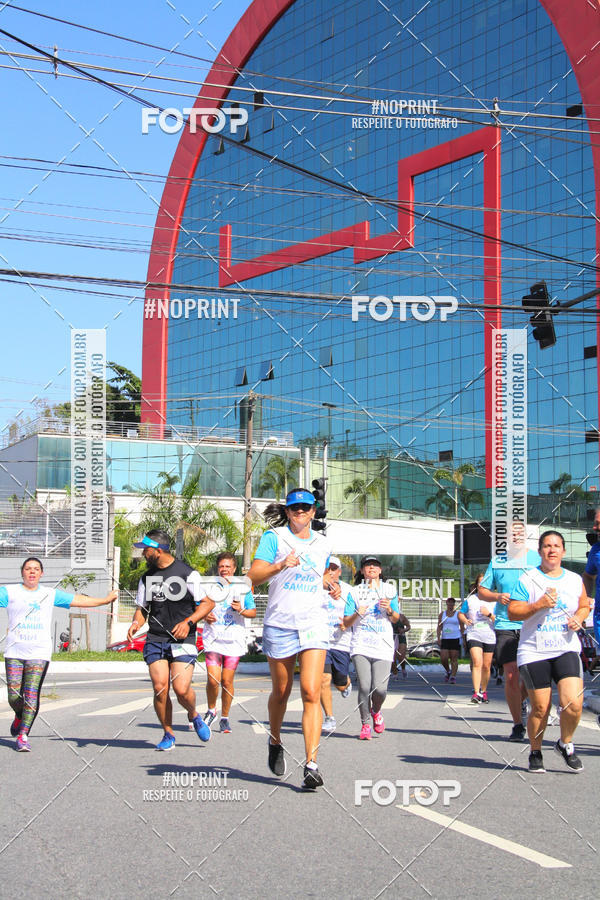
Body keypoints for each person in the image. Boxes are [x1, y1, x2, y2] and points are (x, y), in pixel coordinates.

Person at [248, 488, 332, 790]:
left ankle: (311, 764)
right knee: (281, 692)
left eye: (305, 508)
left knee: (311, 690)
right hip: (280, 623)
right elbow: (254, 576)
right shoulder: (275, 538)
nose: (299, 512)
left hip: (313, 623)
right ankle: (275, 740)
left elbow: (319, 576)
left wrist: (328, 585)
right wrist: (281, 565)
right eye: (294, 508)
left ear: (313, 512)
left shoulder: (324, 544)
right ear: (287, 511)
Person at [1, 557, 117, 752]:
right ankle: (19, 714)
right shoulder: (9, 592)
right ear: (22, 572)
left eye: (36, 569)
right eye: (28, 569)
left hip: (39, 652)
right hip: (15, 650)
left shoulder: (49, 593)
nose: (32, 572)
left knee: (31, 694)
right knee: (13, 695)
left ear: (41, 573)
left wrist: (105, 600)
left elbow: (78, 600)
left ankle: (23, 735)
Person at [508, 530, 590, 773]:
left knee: (573, 703)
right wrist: (538, 605)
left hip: (566, 647)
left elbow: (584, 605)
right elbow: (513, 611)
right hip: (534, 650)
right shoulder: (527, 579)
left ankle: (565, 743)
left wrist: (579, 617)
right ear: (540, 551)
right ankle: (535, 750)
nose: (551, 550)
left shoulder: (575, 579)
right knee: (541, 708)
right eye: (546, 546)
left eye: (556, 545)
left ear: (563, 551)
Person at [128, 530, 215, 750]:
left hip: (182, 639)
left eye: (146, 549)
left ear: (158, 550)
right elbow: (142, 609)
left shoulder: (187, 573)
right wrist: (136, 623)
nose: (143, 553)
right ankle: (168, 733)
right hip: (156, 638)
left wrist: (188, 622)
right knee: (160, 688)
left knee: (181, 688)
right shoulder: (147, 578)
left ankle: (194, 715)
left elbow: (207, 604)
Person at [478, 522, 540, 740]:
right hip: (505, 624)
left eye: (520, 533)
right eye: (512, 534)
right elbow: (482, 591)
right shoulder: (497, 561)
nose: (517, 536)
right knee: (512, 675)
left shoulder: (537, 559)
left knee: (529, 677)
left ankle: (522, 701)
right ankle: (517, 724)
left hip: (532, 624)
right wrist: (497, 597)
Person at [343, 556, 400, 740]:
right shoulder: (355, 592)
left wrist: (389, 610)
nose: (372, 568)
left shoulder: (389, 590)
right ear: (362, 571)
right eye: (368, 566)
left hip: (383, 645)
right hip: (361, 644)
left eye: (375, 565)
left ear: (380, 570)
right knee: (365, 687)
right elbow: (346, 621)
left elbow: (396, 618)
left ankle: (376, 711)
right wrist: (357, 613)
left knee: (380, 689)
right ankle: (365, 723)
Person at [201, 551, 256, 734]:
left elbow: (252, 612)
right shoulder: (209, 586)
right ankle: (211, 711)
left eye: (228, 566)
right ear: (218, 569)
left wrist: (241, 610)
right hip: (213, 639)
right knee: (212, 679)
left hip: (234, 640)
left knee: (226, 681)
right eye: (221, 566)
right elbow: (199, 606)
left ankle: (224, 717)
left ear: (234, 569)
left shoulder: (243, 587)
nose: (224, 569)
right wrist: (205, 615)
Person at [321, 556, 353, 733]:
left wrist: (347, 623)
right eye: (328, 568)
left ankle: (346, 683)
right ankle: (329, 717)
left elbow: (357, 614)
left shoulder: (348, 591)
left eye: (334, 568)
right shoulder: (316, 588)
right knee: (323, 679)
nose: (331, 571)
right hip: (321, 640)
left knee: (339, 683)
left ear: (339, 572)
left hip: (341, 642)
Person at [458, 583, 496, 703]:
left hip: (489, 635)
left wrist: (488, 614)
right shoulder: (470, 600)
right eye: (480, 584)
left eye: (485, 584)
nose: (482, 586)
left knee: (486, 666)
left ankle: (483, 691)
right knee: (476, 662)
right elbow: (460, 613)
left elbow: (499, 620)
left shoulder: (494, 600)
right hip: (474, 633)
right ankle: (476, 693)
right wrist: (465, 620)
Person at [582, 507, 600, 660]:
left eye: (598, 523)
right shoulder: (595, 550)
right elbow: (588, 575)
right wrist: (586, 598)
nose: (594, 527)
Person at [437, 597, 461, 684]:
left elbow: (462, 626)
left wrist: (463, 638)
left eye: (452, 603)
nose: (450, 604)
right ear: (446, 603)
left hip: (455, 637)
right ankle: (448, 671)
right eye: (449, 603)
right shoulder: (442, 614)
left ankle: (453, 676)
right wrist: (438, 638)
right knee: (443, 658)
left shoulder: (458, 614)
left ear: (454, 604)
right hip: (445, 638)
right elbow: (439, 626)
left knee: (454, 658)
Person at [391, 610, 411, 679]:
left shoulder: (402, 617)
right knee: (392, 657)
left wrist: (403, 630)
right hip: (391, 637)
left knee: (401, 657)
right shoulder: (387, 616)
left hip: (401, 637)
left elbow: (408, 626)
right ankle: (395, 672)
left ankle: (403, 668)